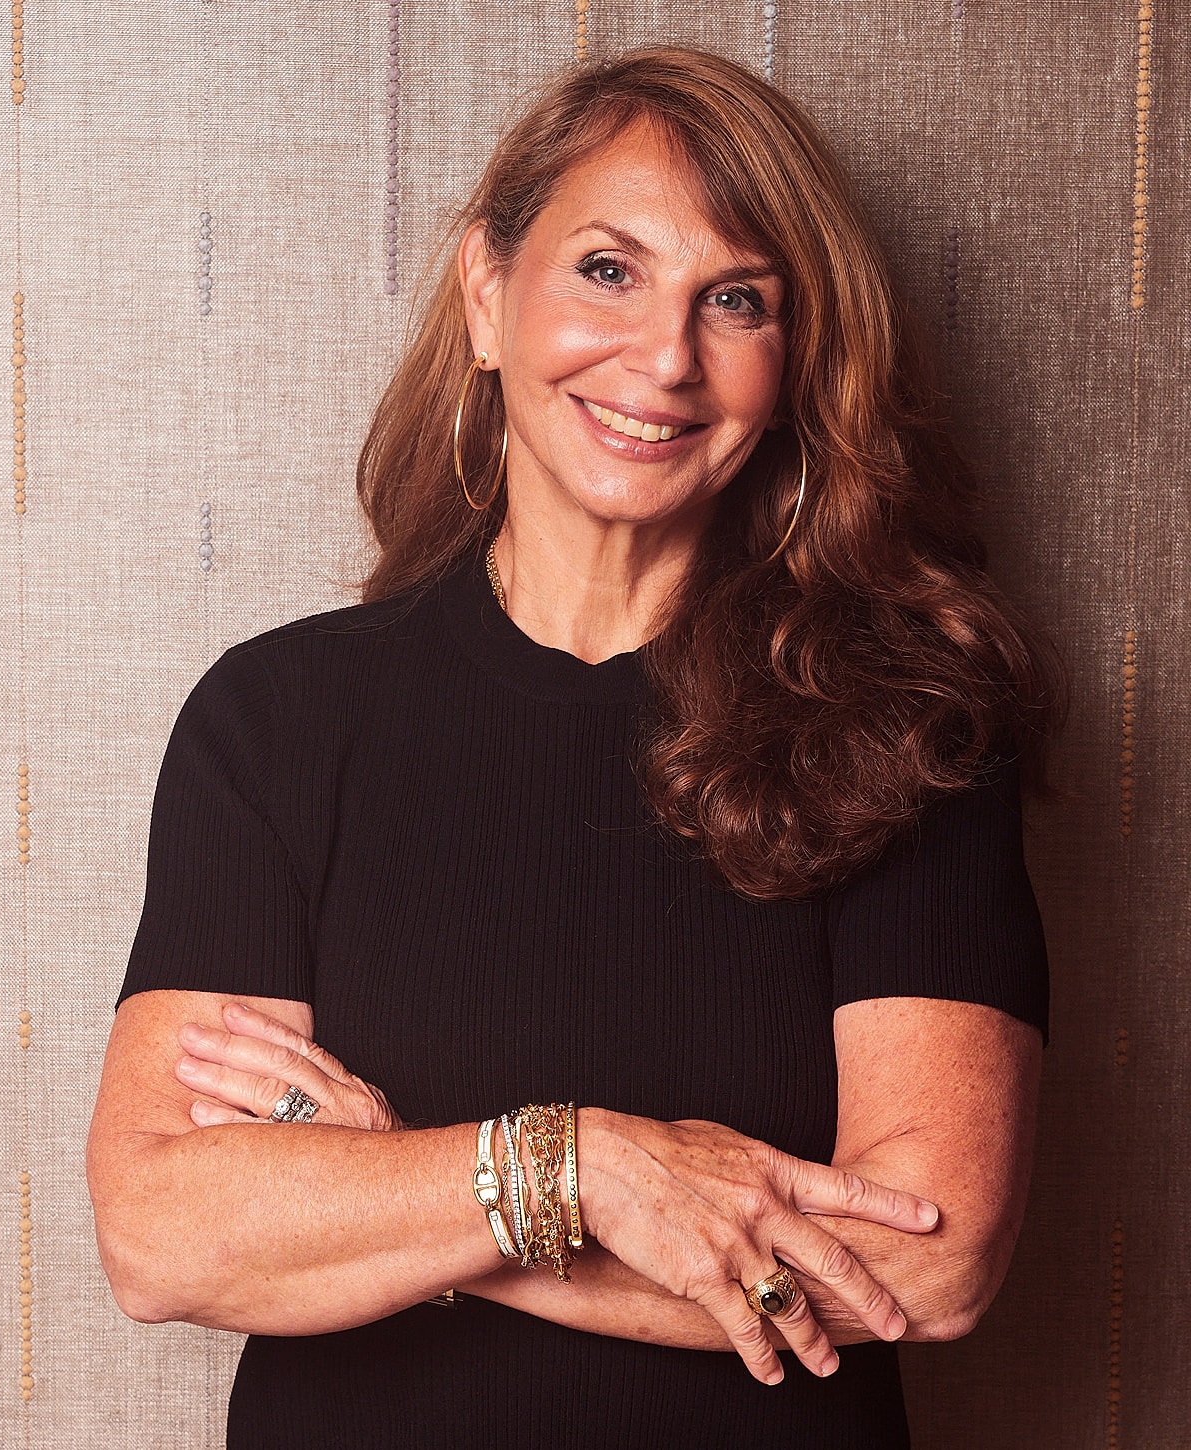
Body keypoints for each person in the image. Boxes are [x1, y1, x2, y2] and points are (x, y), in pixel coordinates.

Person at [87, 46, 1054, 1450]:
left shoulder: (907, 727)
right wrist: (581, 1167)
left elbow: (931, 1259)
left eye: (736, 300)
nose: (666, 357)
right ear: (488, 294)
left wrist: (419, 1203)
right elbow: (161, 1234)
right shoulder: (278, 719)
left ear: (792, 364)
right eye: (609, 270)